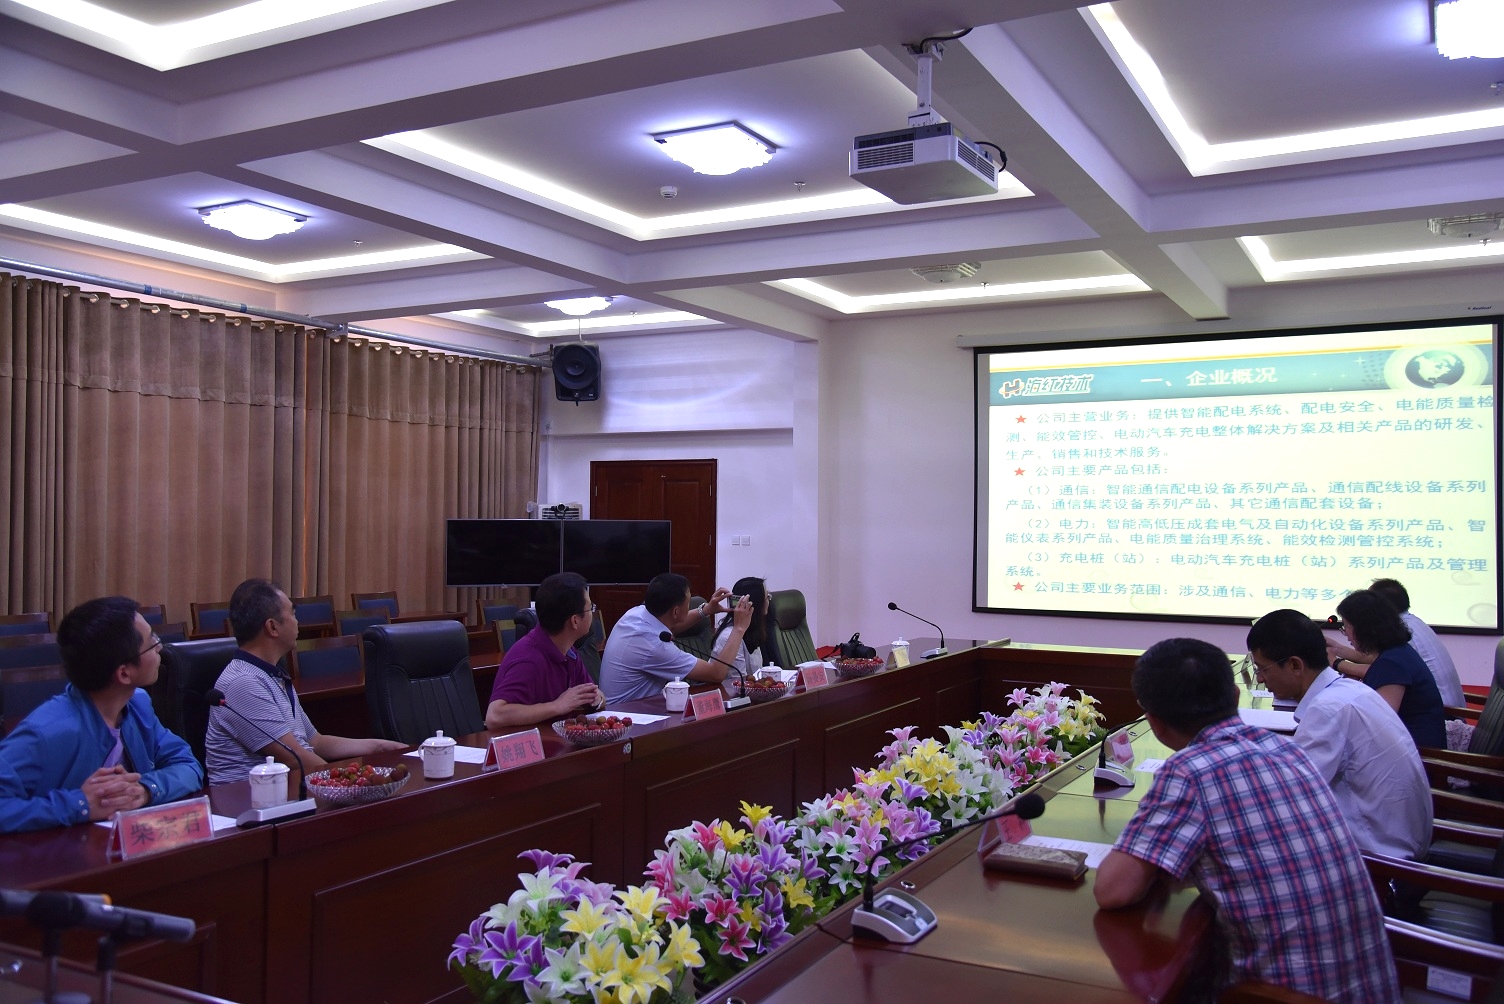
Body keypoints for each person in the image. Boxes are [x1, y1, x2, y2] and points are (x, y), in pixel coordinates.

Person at [1095, 637, 1400, 1002]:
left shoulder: (1190, 771)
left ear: (1154, 723)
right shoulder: (1286, 749)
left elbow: (1113, 890)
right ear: (1236, 696)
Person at [0, 597, 203, 833]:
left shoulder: (137, 704)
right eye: (152, 642)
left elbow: (188, 765)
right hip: (62, 852)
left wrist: (145, 790)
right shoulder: (45, 731)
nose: (160, 647)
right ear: (124, 673)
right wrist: (80, 805)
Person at [1247, 609, 1431, 859]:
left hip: (1378, 856)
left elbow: (1290, 797)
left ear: (1295, 665)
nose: (1260, 679)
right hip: (1398, 836)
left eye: (1263, 669)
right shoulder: (1349, 690)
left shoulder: (1328, 709)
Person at [205, 579, 407, 786]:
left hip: (286, 788)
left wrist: (380, 746)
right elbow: (294, 757)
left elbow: (314, 741)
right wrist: (350, 782)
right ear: (273, 627)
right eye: (292, 614)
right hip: (248, 797)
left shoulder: (272, 675)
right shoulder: (243, 682)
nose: (297, 621)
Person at [598, 573, 751, 705]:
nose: (690, 605)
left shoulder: (636, 613)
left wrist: (706, 610)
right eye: (688, 602)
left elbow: (671, 626)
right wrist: (739, 628)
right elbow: (716, 673)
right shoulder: (655, 646)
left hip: (627, 708)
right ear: (676, 611)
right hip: (626, 716)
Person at [484, 572, 605, 729]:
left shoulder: (569, 651)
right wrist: (557, 706)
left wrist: (597, 700)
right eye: (590, 608)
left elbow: (595, 694)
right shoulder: (529, 659)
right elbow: (494, 716)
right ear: (575, 621)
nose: (592, 613)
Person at [1329, 589, 1446, 750]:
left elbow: (1379, 724)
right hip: (1408, 745)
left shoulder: (1392, 662)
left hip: (1420, 754)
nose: (1346, 634)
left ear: (1364, 628)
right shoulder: (1396, 651)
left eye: (1346, 627)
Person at [1323, 578, 1464, 709]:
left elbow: (1381, 673)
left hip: (1446, 712)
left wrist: (1337, 663)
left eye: (1346, 626)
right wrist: (1337, 648)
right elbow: (1376, 662)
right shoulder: (1403, 633)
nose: (1345, 632)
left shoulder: (1402, 643)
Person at [711, 576, 770, 681]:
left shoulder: (752, 630)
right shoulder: (728, 636)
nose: (768, 601)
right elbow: (738, 682)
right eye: (767, 597)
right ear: (755, 603)